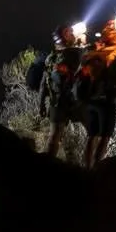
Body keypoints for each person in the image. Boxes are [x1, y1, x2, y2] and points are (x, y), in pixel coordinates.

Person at [75, 17, 116, 167]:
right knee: (104, 137)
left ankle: (86, 169)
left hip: (90, 99)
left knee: (92, 136)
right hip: (107, 100)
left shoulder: (93, 52)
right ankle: (96, 171)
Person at [40, 23, 87, 159]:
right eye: (69, 32)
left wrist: (41, 104)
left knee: (54, 136)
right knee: (94, 131)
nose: (72, 34)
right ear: (63, 37)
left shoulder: (51, 57)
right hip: (72, 102)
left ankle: (49, 164)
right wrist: (82, 46)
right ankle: (94, 169)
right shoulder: (72, 53)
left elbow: (44, 83)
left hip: (56, 102)